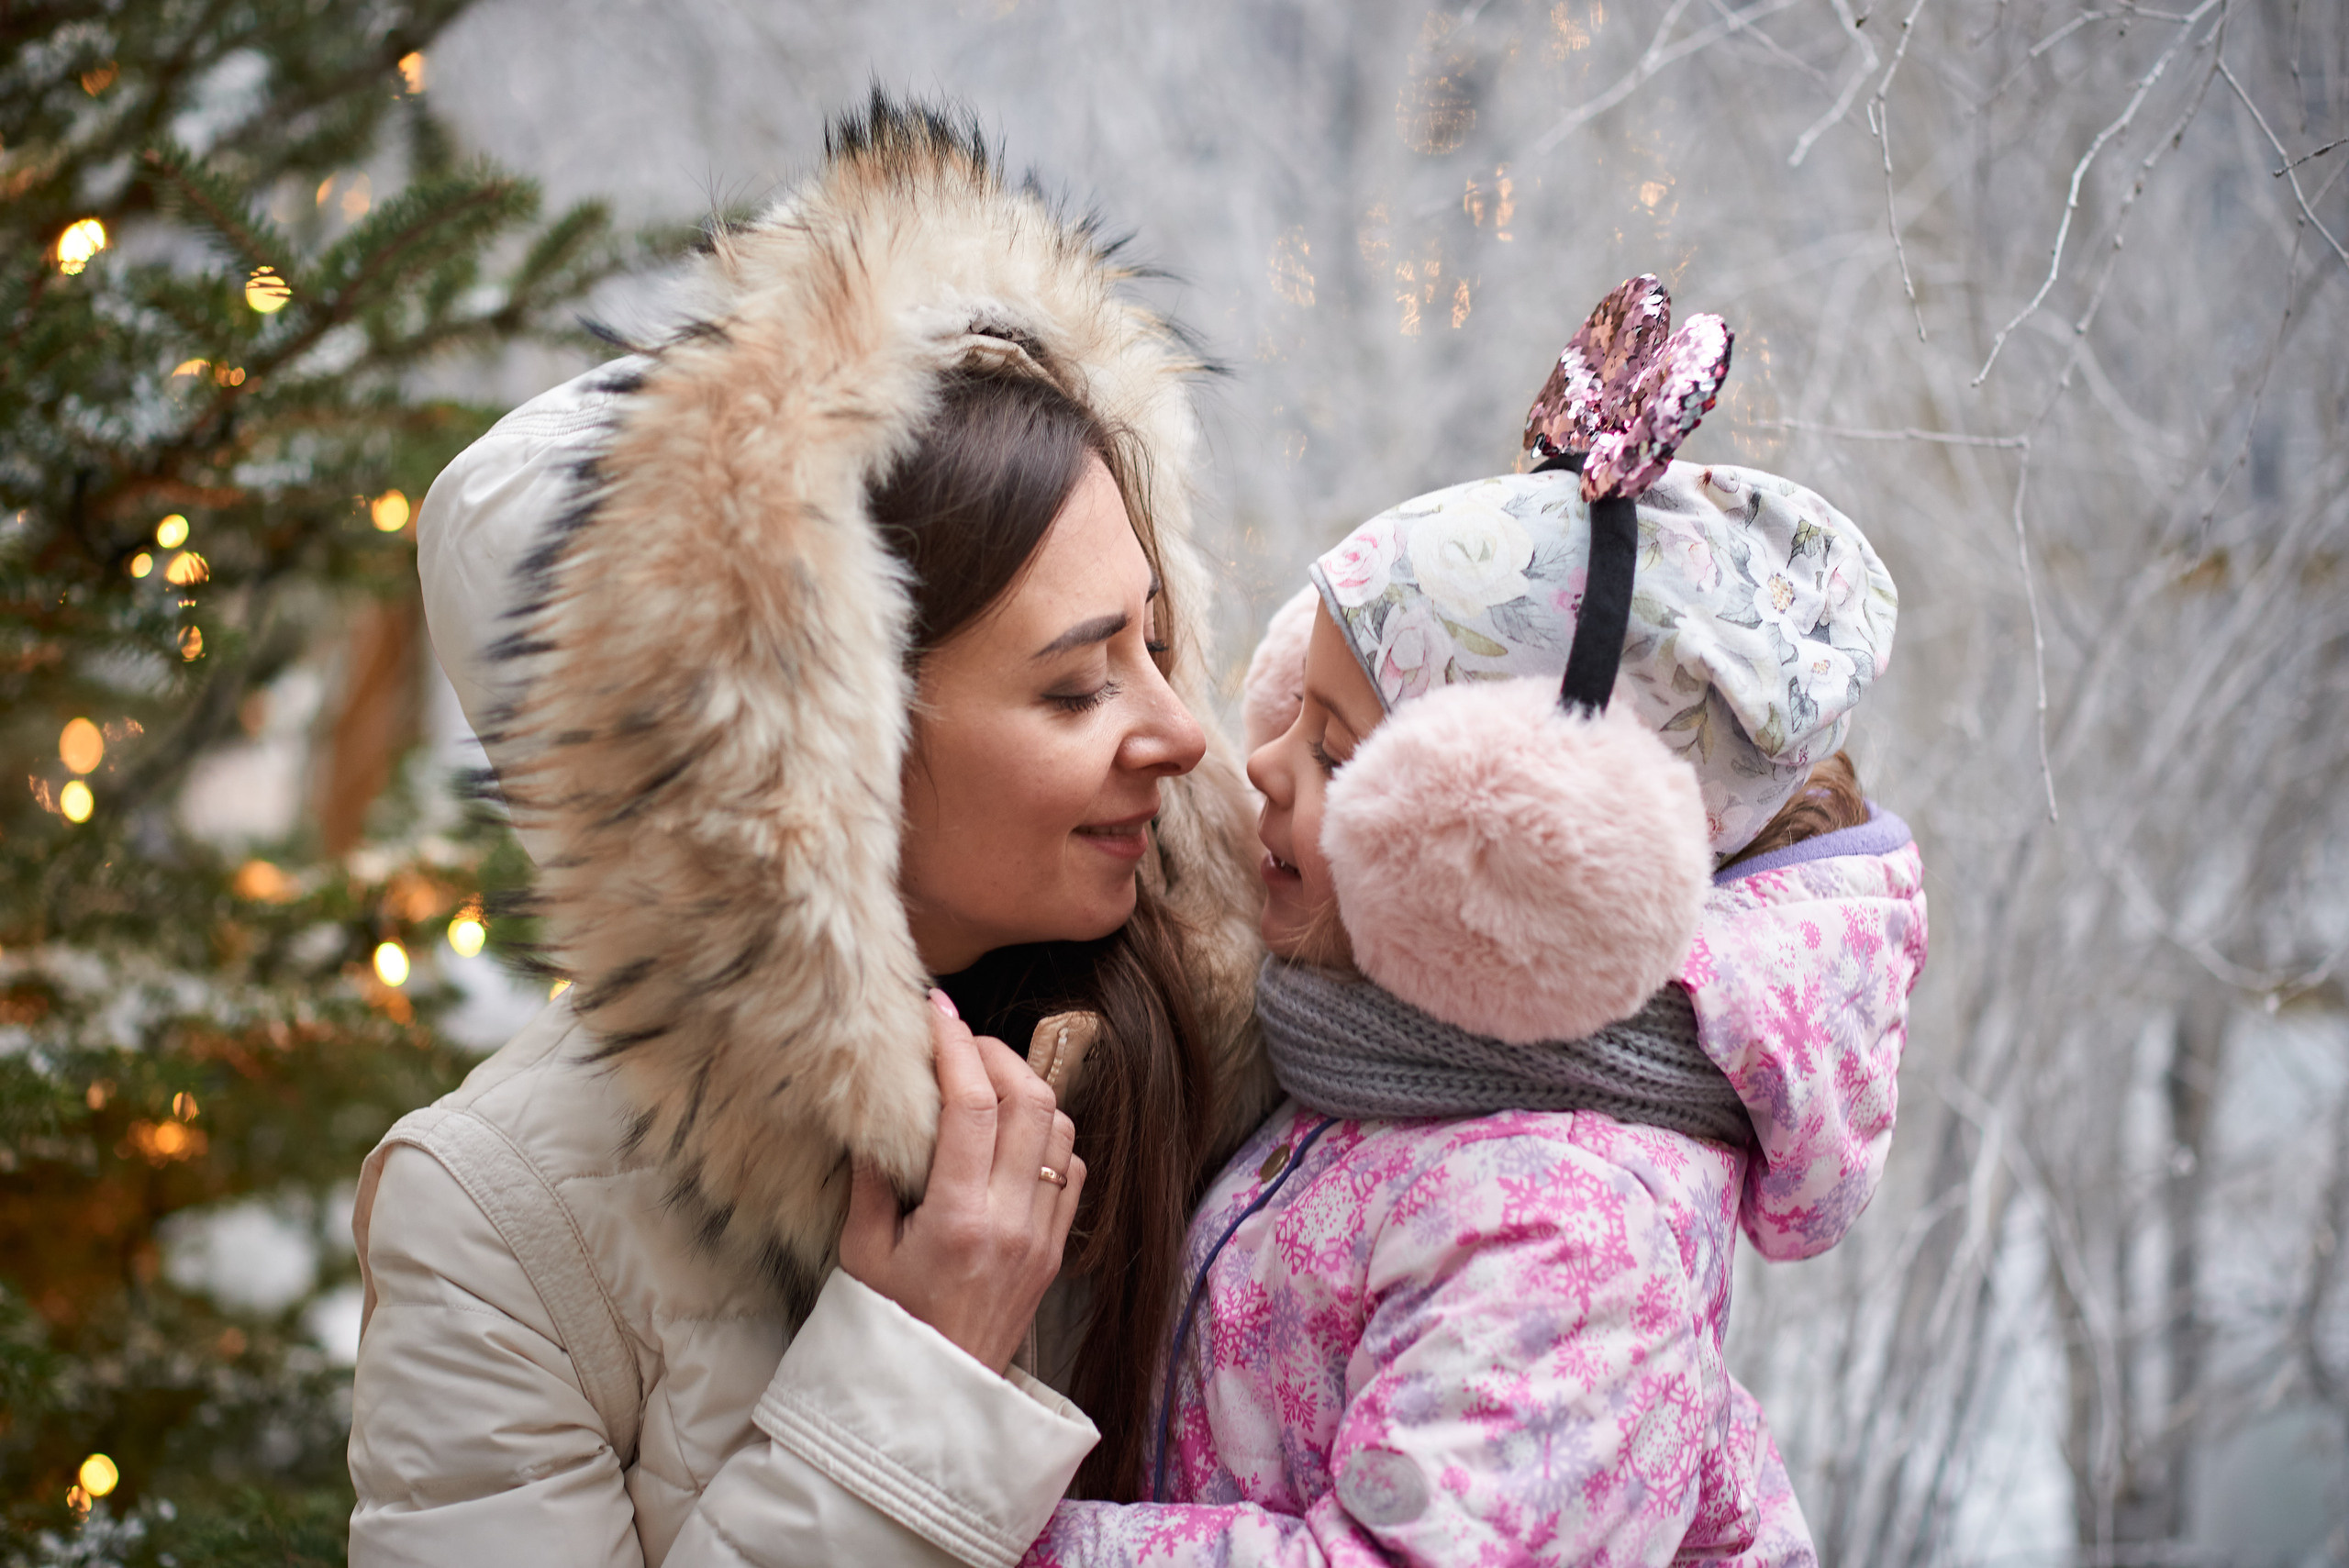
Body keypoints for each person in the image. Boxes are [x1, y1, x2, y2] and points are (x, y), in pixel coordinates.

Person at [346, 97, 1276, 1568]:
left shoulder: (1244, 1044)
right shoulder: (501, 1227)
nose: (1177, 734)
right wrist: (913, 1384)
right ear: (806, 773)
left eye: (1159, 645)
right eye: (1080, 680)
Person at [1024, 280, 1930, 1564]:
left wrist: (1006, 1542)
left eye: (1335, 746)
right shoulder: (1387, 1068)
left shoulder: (1577, 1226)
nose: (1256, 766)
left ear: (1521, 856)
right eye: (1288, 704)